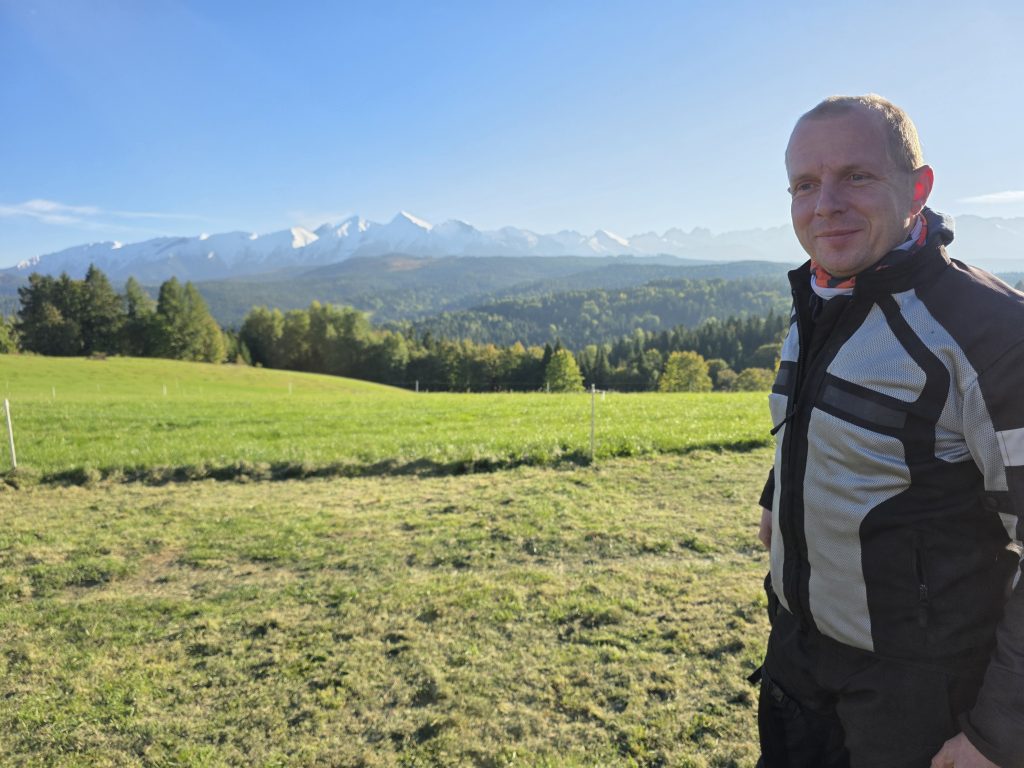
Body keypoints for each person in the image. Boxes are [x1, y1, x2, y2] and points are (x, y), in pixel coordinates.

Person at [755, 94, 1024, 768]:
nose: (825, 205)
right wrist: (777, 496)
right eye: (804, 184)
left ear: (919, 188)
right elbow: (816, 414)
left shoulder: (993, 333)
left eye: (857, 176)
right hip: (798, 654)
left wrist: (1000, 733)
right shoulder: (822, 294)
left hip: (919, 692)